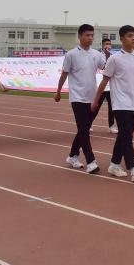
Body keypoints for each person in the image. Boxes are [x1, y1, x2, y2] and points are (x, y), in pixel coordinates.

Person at [91, 25, 134, 182]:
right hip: (120, 104)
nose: (133, 38)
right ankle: (133, 168)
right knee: (127, 137)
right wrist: (96, 101)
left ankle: (114, 164)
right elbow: (104, 81)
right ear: (121, 38)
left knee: (125, 135)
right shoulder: (114, 59)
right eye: (130, 36)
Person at [55, 24, 105, 174]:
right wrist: (58, 92)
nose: (90, 38)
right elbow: (64, 74)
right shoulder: (71, 55)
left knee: (83, 129)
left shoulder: (97, 54)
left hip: (93, 97)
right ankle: (91, 162)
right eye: (87, 35)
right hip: (77, 97)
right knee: (84, 130)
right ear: (80, 36)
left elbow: (107, 68)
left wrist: (109, 56)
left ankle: (72, 155)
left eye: (92, 35)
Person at [99, 37, 116, 133]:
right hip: (100, 86)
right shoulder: (98, 56)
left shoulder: (113, 57)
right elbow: (103, 67)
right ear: (102, 45)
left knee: (112, 107)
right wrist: (107, 55)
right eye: (106, 44)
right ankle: (89, 123)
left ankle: (111, 125)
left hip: (111, 87)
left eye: (109, 44)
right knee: (96, 106)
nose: (108, 46)